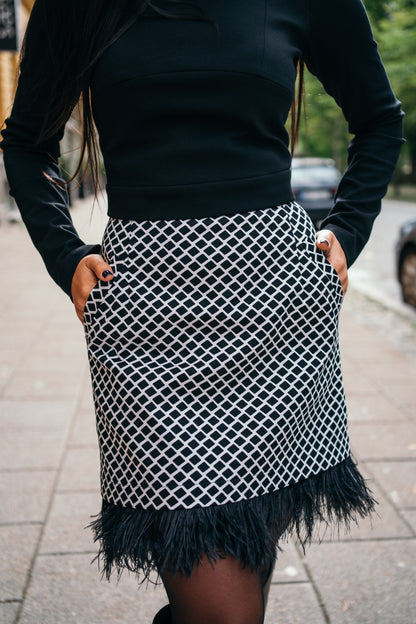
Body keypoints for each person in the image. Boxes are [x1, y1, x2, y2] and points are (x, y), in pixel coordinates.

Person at [1, 0, 403, 622]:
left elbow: (379, 119)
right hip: (148, 323)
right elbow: (26, 143)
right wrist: (65, 252)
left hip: (277, 316)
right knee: (222, 608)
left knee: (243, 567)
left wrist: (347, 229)